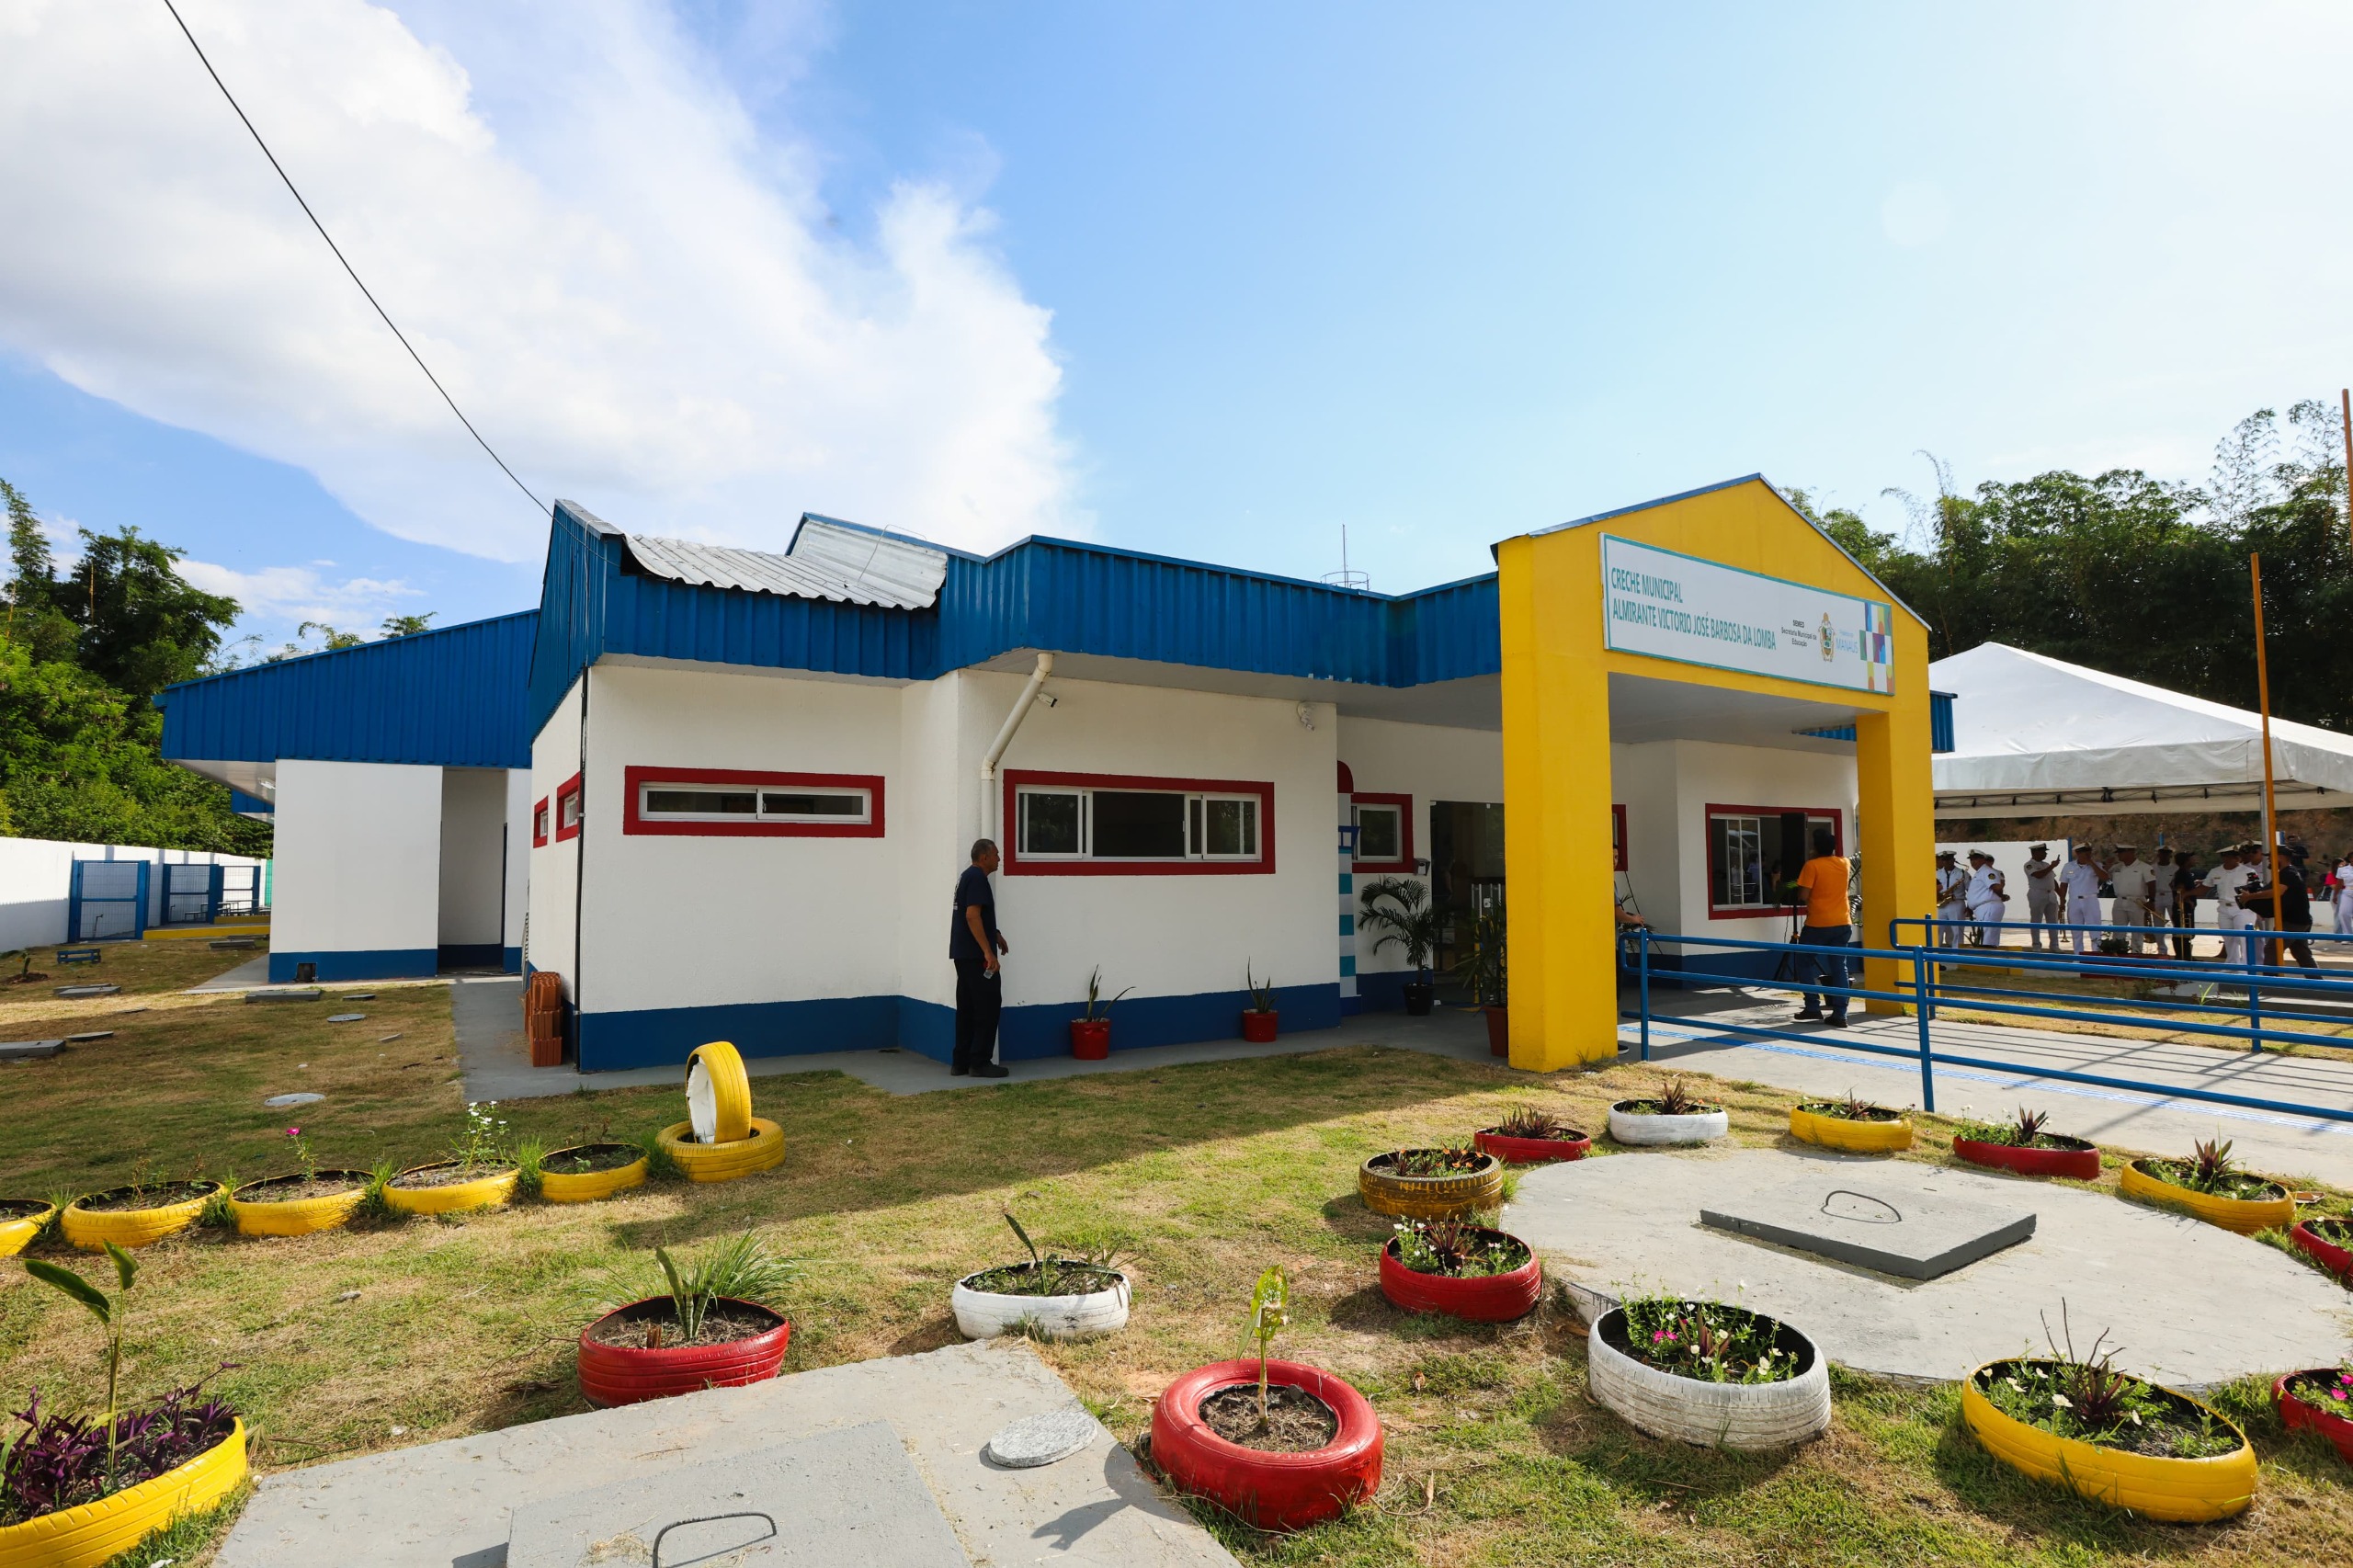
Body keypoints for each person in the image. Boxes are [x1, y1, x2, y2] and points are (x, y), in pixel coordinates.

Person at [949, 838, 1010, 1078]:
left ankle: (961, 1062)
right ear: (984, 857)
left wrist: (995, 934)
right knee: (987, 1006)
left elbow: (978, 916)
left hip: (963, 954)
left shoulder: (966, 877)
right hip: (976, 957)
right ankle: (980, 1061)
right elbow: (972, 915)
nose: (999, 859)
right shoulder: (977, 878)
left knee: (967, 1008)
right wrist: (987, 951)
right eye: (996, 854)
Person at [1790, 828, 1853, 1028]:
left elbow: (1803, 895)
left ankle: (1812, 1006)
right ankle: (1840, 1014)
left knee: (1803, 962)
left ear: (1815, 848)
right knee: (1839, 967)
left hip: (1818, 923)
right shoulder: (1845, 863)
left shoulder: (1812, 865)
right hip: (1842, 922)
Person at [2200, 844, 2259, 970]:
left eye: (2237, 856)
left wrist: (2259, 908)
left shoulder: (2249, 872)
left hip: (2243, 908)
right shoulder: (2215, 871)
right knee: (2228, 938)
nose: (2237, 859)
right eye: (2233, 856)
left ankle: (2245, 967)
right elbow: (2204, 887)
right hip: (2224, 908)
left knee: (2243, 938)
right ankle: (2232, 965)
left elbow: (2257, 889)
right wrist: (2186, 894)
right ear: (2224, 857)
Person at [2106, 845, 2159, 956]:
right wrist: (2107, 865)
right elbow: (2105, 876)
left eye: (2120, 852)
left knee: (2137, 931)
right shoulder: (2117, 867)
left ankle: (2136, 955)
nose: (2118, 855)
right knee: (2118, 930)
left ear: (2129, 852)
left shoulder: (2144, 867)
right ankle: (2119, 954)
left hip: (2137, 901)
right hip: (2120, 900)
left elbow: (2152, 884)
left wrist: (2152, 900)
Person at [2273, 846, 2319, 971]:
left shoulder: (2288, 873)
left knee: (2272, 950)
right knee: (2301, 953)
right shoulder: (2289, 872)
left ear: (2280, 857)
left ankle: (2269, 981)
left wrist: (2251, 897)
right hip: (2298, 920)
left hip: (2293, 921)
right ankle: (2316, 980)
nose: (2269, 861)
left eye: (2271, 857)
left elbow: (2277, 891)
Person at [2056, 843, 2105, 956]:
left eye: (2089, 851)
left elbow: (2104, 877)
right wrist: (2062, 902)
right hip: (2074, 901)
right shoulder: (2068, 866)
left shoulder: (2097, 865)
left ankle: (2097, 956)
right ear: (2078, 853)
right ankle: (2078, 956)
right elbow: (2063, 885)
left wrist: (2092, 863)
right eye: (2084, 852)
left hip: (2090, 900)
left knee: (2095, 930)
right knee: (2076, 931)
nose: (2087, 854)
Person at [2021, 844, 2062, 950]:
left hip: (2050, 893)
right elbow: (2038, 875)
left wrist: (2061, 895)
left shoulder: (2046, 864)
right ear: (2035, 852)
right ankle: (2036, 945)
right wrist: (2052, 866)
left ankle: (2054, 945)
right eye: (2043, 852)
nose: (2045, 854)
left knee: (2053, 921)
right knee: (2036, 920)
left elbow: (2053, 880)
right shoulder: (2029, 865)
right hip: (2037, 893)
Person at [1964, 850, 2007, 948]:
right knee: (1986, 937)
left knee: (1987, 938)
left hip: (1988, 907)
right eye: (1971, 859)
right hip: (1984, 907)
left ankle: (1987, 956)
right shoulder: (1981, 872)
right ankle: (1988, 955)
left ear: (1983, 859)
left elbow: (1996, 888)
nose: (1973, 862)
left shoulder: (1986, 871)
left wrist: (2001, 894)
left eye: (1976, 859)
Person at [2171, 848, 2203, 960]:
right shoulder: (2182, 873)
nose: (2194, 860)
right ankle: (2182, 956)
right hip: (2183, 907)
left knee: (2186, 932)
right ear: (2186, 861)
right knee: (2182, 931)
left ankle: (2186, 954)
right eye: (2191, 858)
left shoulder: (2184, 873)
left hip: (2186, 906)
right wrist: (2188, 900)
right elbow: (2179, 888)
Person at [1934, 850, 1968, 947]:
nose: (1946, 862)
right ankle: (1936, 951)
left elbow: (1970, 889)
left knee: (1957, 930)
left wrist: (1970, 906)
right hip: (1940, 904)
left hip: (1956, 903)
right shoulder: (1936, 873)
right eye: (1944, 860)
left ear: (1953, 860)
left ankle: (1957, 952)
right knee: (1937, 929)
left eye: (1948, 860)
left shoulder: (1962, 873)